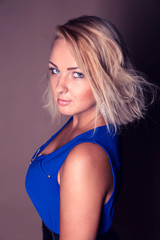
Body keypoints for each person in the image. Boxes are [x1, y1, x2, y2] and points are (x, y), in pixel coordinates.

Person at [25, 15, 155, 240]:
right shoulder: (80, 122)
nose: (60, 87)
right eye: (55, 70)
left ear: (106, 78)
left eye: (77, 74)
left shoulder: (85, 156)